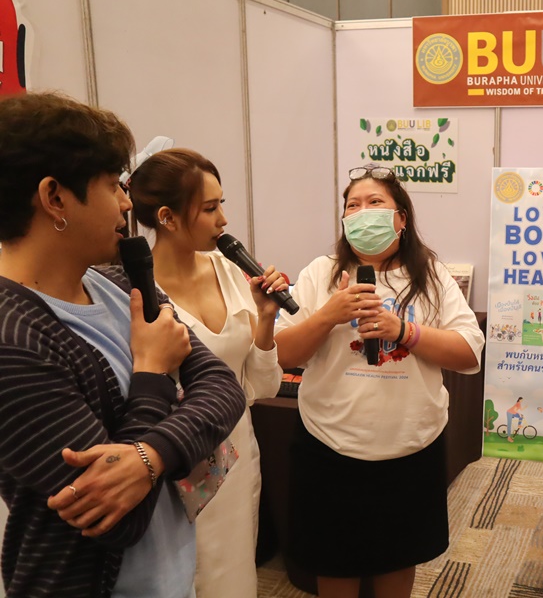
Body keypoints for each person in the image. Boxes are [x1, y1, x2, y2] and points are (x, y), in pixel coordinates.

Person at [0, 92, 245, 597]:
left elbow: (223, 387)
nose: (127, 203)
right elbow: (118, 520)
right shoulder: (13, 340)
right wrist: (153, 372)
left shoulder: (118, 281)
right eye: (113, 185)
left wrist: (150, 454)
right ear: (54, 198)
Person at [273, 163, 484, 598]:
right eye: (353, 205)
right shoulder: (320, 273)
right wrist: (329, 315)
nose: (362, 212)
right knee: (335, 563)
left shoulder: (430, 274)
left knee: (397, 559)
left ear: (400, 218)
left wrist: (404, 331)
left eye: (375, 202)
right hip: (330, 446)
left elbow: (469, 353)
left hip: (411, 446)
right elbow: (279, 355)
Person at [127, 147, 286, 597]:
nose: (224, 220)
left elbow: (260, 386)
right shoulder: (135, 290)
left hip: (237, 452)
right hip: (176, 457)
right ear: (167, 218)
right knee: (187, 574)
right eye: (210, 208)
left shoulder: (230, 270)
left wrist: (266, 320)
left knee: (234, 574)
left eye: (222, 204)